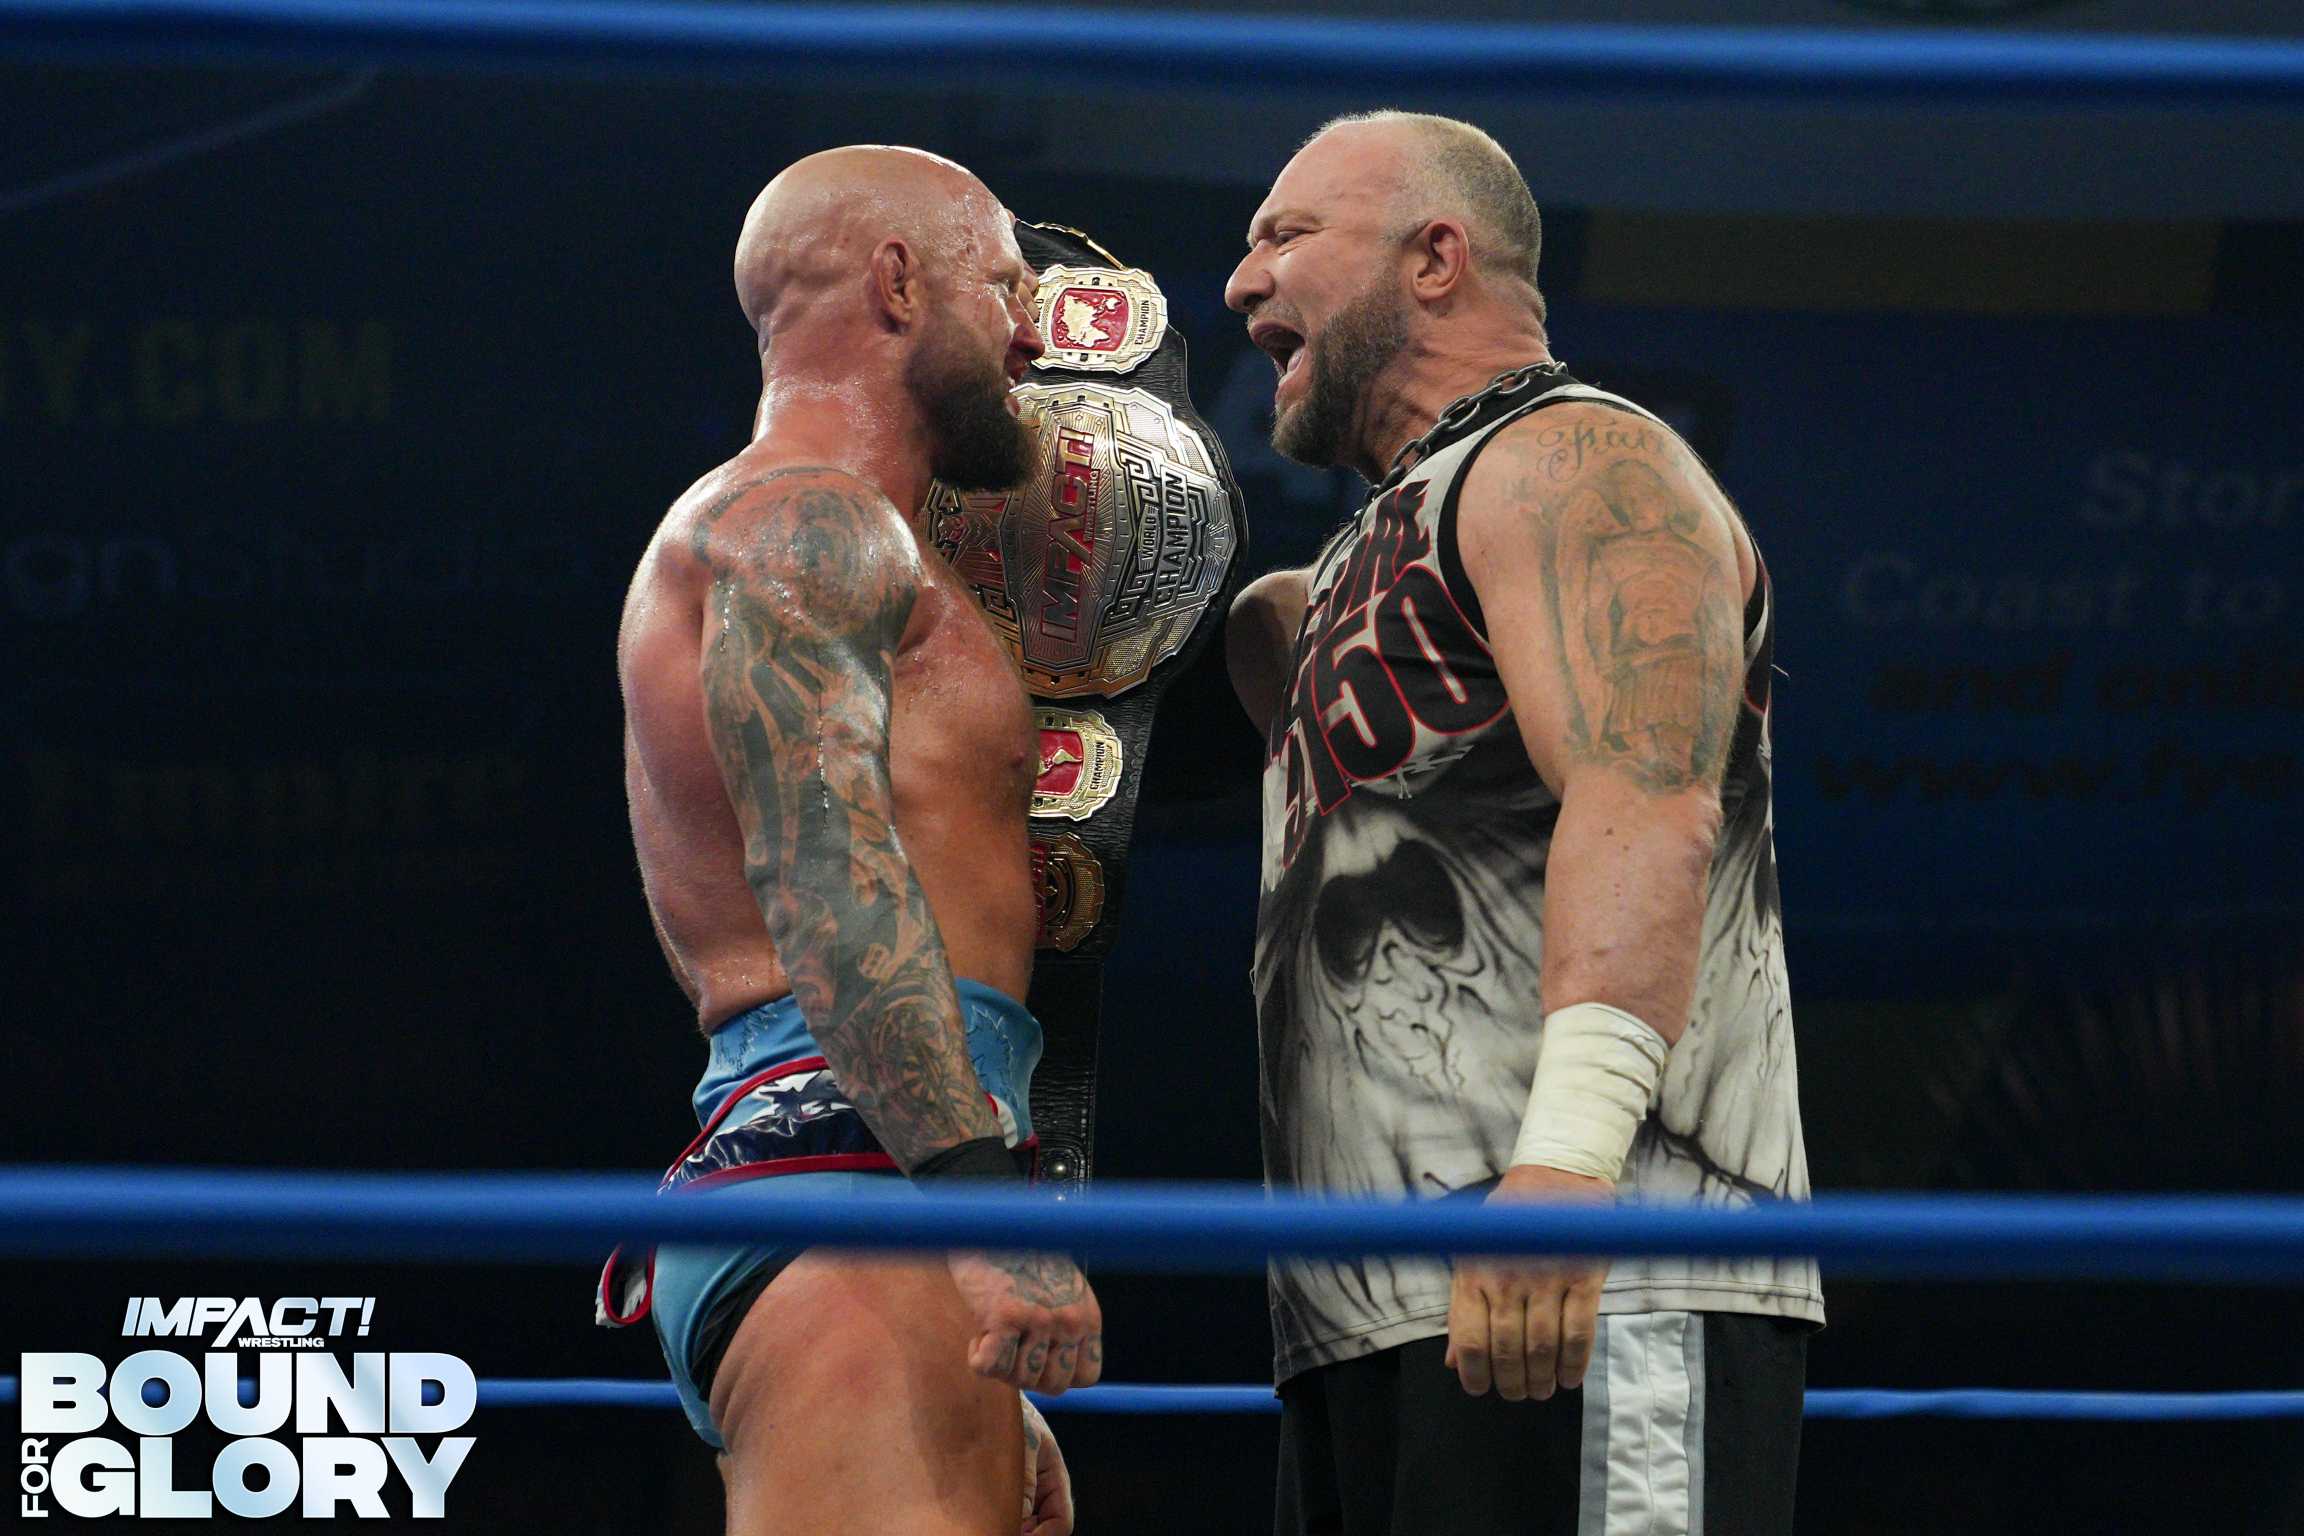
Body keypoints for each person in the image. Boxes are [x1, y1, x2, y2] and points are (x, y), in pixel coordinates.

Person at [1224, 112, 1824, 1534]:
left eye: (1286, 236)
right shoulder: (1377, 547)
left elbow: (1648, 803)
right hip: (1379, 1303)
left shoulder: (1578, 463)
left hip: (1592, 1259)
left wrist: (1566, 1164)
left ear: (1435, 258)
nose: (1242, 282)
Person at [615, 145, 1096, 1536]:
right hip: (860, 1200)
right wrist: (980, 1221)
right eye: (1004, 285)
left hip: (860, 1187)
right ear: (897, 283)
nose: (1031, 334)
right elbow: (826, 878)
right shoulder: (808, 520)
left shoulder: (821, 528)